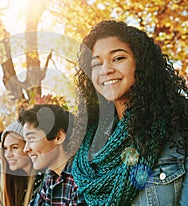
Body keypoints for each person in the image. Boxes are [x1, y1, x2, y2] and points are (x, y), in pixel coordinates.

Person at [71, 20, 188, 205]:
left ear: (140, 64)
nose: (106, 70)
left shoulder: (178, 126)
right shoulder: (89, 146)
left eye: (118, 58)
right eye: (96, 64)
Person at [19, 104, 81, 205]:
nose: (26, 149)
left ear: (58, 137)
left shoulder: (81, 180)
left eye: (31, 139)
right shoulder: (51, 178)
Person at [0, 120, 39, 206]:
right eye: (5, 148)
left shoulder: (44, 181)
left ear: (28, 147)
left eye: (14, 147)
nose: (8, 155)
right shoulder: (17, 183)